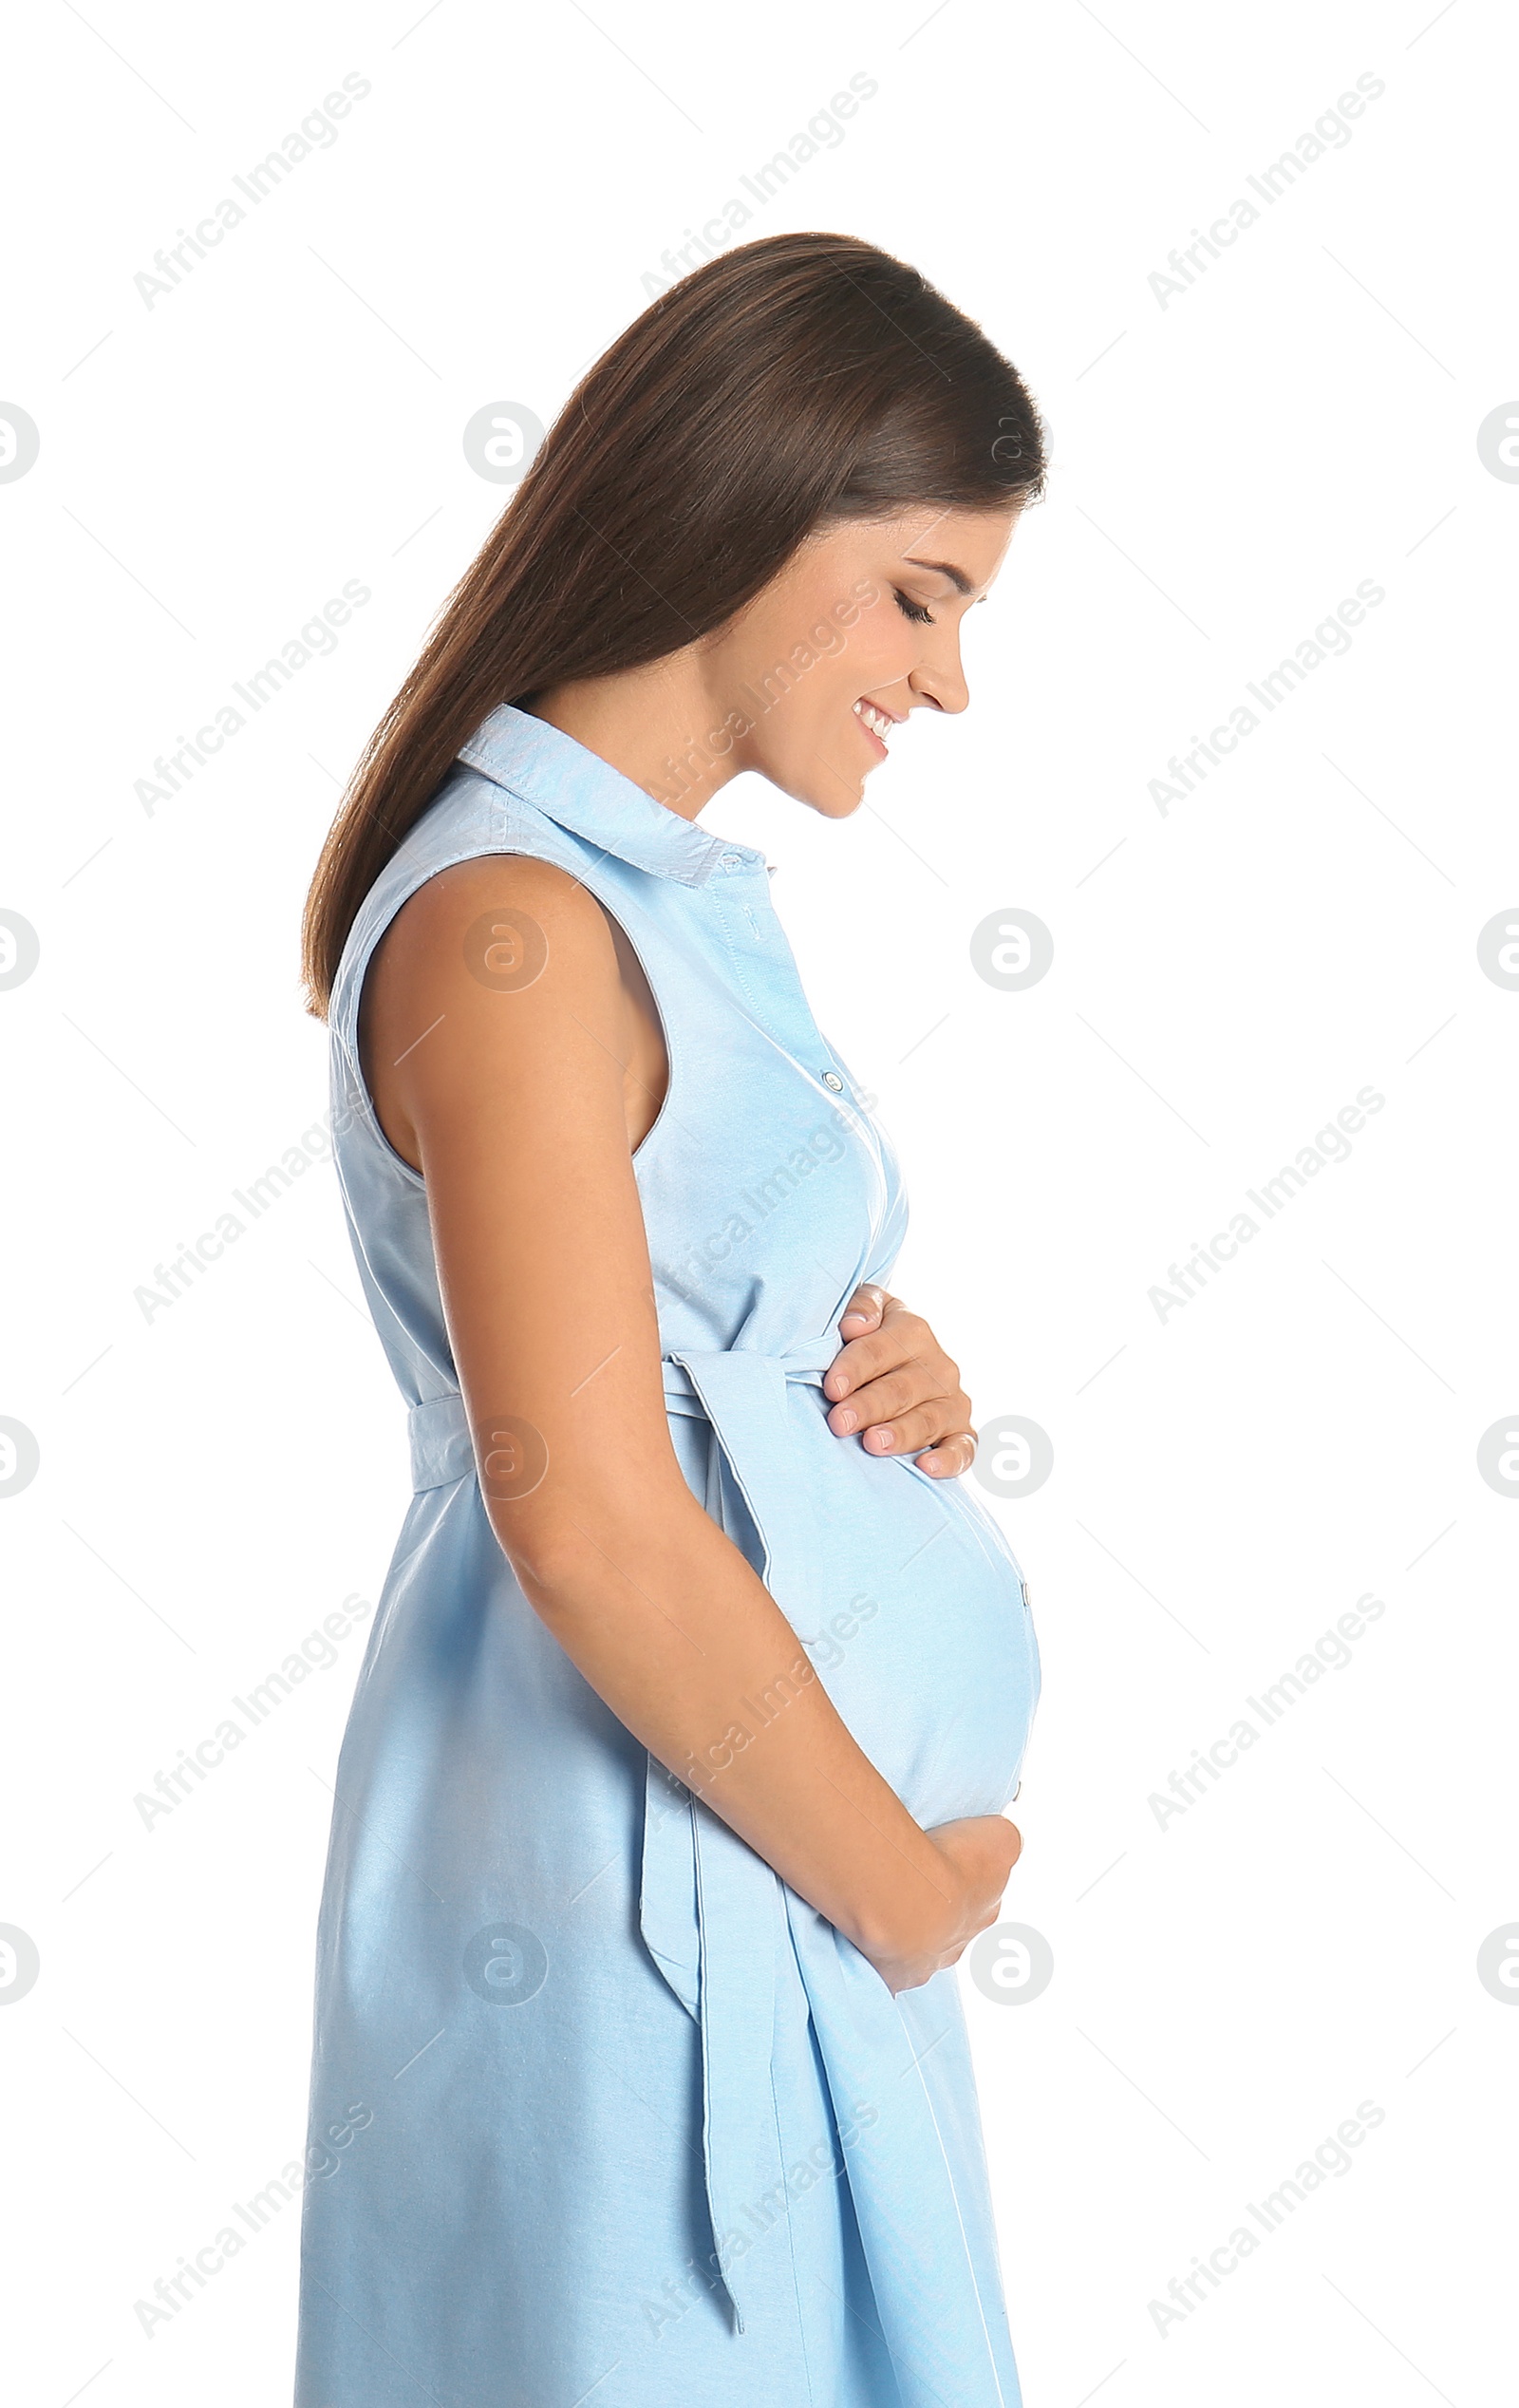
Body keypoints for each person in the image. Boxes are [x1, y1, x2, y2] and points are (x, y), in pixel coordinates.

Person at [293, 230, 1045, 2408]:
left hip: (753, 1879)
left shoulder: (647, 907)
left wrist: (857, 1386)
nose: (946, 683)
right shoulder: (513, 924)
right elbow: (594, 1521)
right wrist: (905, 1895)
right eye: (919, 593)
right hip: (649, 1902)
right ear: (744, 495)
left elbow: (675, 1372)